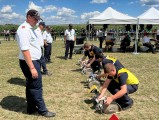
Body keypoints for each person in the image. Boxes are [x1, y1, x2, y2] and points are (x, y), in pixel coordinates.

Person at [16, 9, 55, 117]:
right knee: (37, 86)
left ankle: (31, 108)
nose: (36, 21)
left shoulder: (31, 28)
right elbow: (25, 50)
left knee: (30, 86)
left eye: (38, 19)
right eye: (35, 19)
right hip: (30, 62)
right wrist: (32, 67)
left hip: (34, 60)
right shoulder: (24, 29)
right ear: (28, 17)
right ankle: (43, 110)